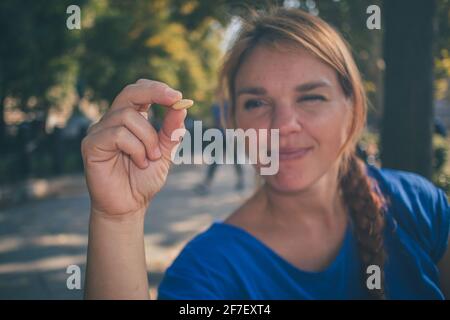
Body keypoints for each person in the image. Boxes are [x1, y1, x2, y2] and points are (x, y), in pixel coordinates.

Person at [82, 7, 450, 299]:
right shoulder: (210, 271)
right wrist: (118, 219)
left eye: (310, 97)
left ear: (352, 107)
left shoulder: (418, 205)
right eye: (257, 102)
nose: (282, 124)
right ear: (234, 121)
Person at [195, 100, 244, 195]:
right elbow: (216, 122)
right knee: (215, 161)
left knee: (235, 159)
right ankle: (207, 184)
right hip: (220, 136)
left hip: (229, 136)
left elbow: (233, 120)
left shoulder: (230, 105)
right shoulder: (216, 106)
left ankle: (240, 180)